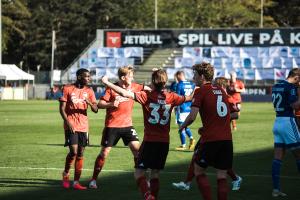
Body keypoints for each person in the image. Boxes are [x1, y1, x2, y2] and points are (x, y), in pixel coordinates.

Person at [101, 69, 193, 200]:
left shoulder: (146, 96)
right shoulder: (172, 96)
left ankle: (147, 195)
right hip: (164, 142)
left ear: (153, 82)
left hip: (150, 140)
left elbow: (123, 92)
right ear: (165, 81)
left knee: (139, 173)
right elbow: (189, 97)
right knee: (155, 174)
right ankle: (153, 196)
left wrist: (107, 82)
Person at [172, 77, 242, 192]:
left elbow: (235, 115)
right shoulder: (220, 96)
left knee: (216, 163)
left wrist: (219, 119)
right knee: (198, 157)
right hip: (210, 133)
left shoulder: (226, 98)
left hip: (217, 135)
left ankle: (235, 178)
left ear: (220, 86)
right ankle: (187, 183)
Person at [89, 66, 151, 189]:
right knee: (104, 153)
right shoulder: (111, 88)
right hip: (112, 126)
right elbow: (100, 104)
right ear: (123, 77)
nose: (133, 78)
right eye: (131, 76)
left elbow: (148, 88)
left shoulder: (135, 86)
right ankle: (93, 180)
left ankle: (142, 179)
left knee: (137, 151)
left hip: (128, 126)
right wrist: (111, 104)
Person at [179, 62, 233, 200]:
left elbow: (192, 116)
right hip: (227, 139)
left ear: (202, 76)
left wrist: (183, 126)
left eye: (195, 75)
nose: (193, 78)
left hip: (211, 139)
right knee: (221, 175)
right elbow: (230, 115)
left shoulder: (201, 90)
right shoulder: (221, 90)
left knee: (199, 171)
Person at [59, 68, 98, 190]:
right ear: (79, 77)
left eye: (89, 76)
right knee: (74, 152)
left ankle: (76, 182)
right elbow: (62, 108)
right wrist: (67, 122)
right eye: (86, 76)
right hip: (71, 125)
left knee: (81, 153)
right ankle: (66, 174)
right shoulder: (67, 88)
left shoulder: (89, 91)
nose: (89, 78)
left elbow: (96, 110)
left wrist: (90, 103)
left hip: (84, 126)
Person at [271, 68, 300, 197]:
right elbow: (295, 106)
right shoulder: (290, 87)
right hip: (288, 121)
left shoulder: (276, 85)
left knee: (277, 158)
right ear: (297, 77)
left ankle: (276, 190)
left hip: (277, 121)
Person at [174, 71, 196, 150]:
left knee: (181, 126)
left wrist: (174, 107)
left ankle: (184, 144)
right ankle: (191, 139)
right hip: (189, 107)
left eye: (177, 76)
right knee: (185, 125)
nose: (176, 78)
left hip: (182, 107)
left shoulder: (179, 85)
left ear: (180, 75)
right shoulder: (191, 84)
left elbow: (177, 98)